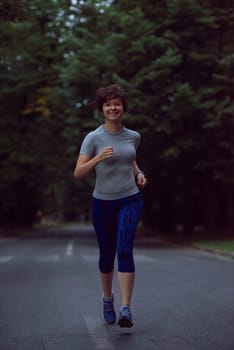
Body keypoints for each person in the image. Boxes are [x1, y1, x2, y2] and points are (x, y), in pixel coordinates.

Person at [74, 84, 148, 328]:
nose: (113, 108)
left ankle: (126, 309)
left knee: (124, 249)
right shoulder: (93, 138)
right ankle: (108, 299)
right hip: (103, 203)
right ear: (102, 109)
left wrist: (139, 173)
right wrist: (97, 158)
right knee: (107, 256)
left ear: (123, 108)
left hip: (130, 198)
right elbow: (78, 173)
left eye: (117, 104)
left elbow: (130, 158)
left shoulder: (133, 136)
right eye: (108, 104)